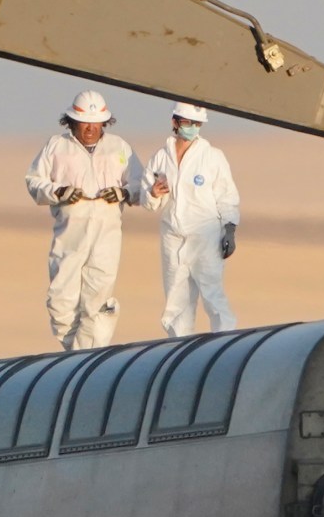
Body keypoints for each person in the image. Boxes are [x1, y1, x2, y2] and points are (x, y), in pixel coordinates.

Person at [25, 90, 146, 351]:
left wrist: (123, 193)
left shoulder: (119, 148)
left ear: (105, 123)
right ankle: (77, 353)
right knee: (60, 301)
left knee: (97, 299)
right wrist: (58, 191)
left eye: (96, 123)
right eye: (85, 123)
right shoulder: (56, 146)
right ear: (72, 122)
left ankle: (82, 360)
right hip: (70, 234)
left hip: (107, 233)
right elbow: (34, 181)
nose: (91, 129)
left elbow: (140, 183)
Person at [144, 103, 241, 336]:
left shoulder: (212, 157)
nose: (193, 128)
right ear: (175, 122)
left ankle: (224, 341)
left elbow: (227, 196)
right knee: (177, 299)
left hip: (205, 235)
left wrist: (229, 229)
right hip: (173, 236)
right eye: (188, 123)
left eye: (197, 124)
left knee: (212, 293)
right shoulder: (160, 158)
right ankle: (178, 348)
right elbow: (147, 200)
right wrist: (153, 194)